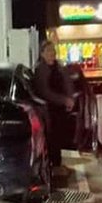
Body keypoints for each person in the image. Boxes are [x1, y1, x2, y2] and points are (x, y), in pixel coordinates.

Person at [32, 41, 74, 171]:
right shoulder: (40, 70)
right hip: (48, 109)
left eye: (53, 51)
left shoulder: (59, 67)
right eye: (49, 51)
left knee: (59, 135)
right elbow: (44, 91)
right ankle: (52, 164)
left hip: (59, 108)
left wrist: (69, 98)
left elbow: (68, 83)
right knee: (51, 136)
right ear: (42, 53)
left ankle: (57, 162)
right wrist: (63, 100)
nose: (52, 54)